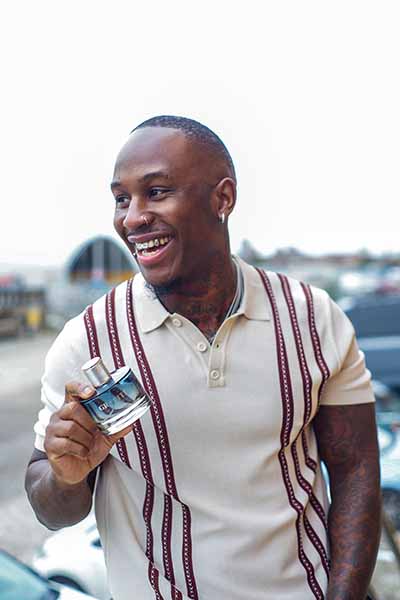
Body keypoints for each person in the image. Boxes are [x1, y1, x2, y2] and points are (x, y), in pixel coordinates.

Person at [25, 115, 381, 600]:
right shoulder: (87, 340)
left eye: (156, 191)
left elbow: (357, 470)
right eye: (121, 199)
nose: (132, 218)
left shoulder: (313, 318)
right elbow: (51, 506)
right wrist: (68, 473)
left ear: (223, 198)